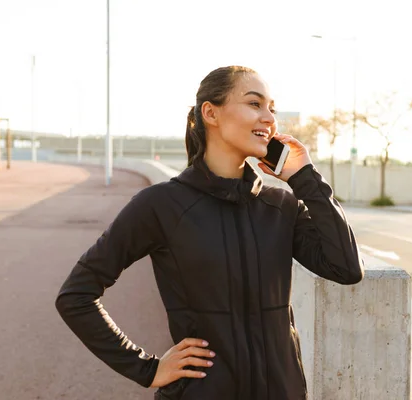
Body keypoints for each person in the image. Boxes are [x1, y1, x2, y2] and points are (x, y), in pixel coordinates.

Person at [55, 65, 363, 400]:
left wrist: (304, 177)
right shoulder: (162, 205)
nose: (269, 118)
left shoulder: (281, 207)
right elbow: (77, 295)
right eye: (254, 104)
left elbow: (345, 268)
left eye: (271, 108)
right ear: (210, 113)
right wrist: (147, 369)